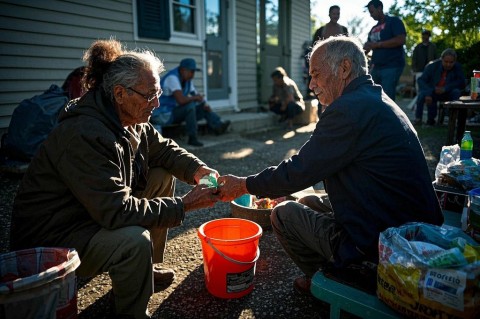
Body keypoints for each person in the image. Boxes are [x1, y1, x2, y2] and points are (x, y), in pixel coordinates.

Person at [10, 39, 220, 319]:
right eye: (150, 96)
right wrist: (184, 205)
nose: (156, 103)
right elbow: (116, 212)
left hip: (88, 214)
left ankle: (147, 268)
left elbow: (165, 150)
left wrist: (199, 170)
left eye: (158, 93)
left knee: (161, 175)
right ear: (120, 93)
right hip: (55, 238)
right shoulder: (84, 134)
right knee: (134, 241)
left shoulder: (131, 117)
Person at [217, 36, 443, 296]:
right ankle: (343, 265)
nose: (311, 85)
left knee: (283, 213)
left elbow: (300, 169)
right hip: (406, 226)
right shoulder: (372, 97)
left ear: (344, 68)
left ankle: (342, 281)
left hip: (390, 246)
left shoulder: (348, 109)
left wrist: (245, 184)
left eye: (316, 74)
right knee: (308, 201)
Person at [150, 58, 230, 147]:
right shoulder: (172, 78)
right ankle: (192, 138)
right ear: (183, 70)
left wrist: (205, 104)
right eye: (191, 72)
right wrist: (195, 98)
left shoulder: (186, 80)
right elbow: (181, 100)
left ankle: (218, 126)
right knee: (190, 106)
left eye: (194, 72)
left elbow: (196, 95)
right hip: (162, 115)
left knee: (202, 106)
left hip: (171, 112)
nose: (193, 75)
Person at [363, 0, 406, 101]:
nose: (371, 15)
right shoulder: (373, 28)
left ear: (380, 8)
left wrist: (378, 45)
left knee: (387, 98)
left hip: (392, 66)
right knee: (372, 95)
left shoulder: (394, 21)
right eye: (370, 12)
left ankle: (389, 117)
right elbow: (368, 46)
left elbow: (401, 39)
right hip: (376, 67)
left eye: (372, 12)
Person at [414, 48, 465, 125]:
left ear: (455, 61)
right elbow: (421, 80)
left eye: (451, 62)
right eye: (446, 62)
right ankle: (419, 119)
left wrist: (445, 89)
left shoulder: (458, 67)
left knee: (456, 92)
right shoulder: (431, 66)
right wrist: (428, 93)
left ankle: (452, 118)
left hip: (448, 92)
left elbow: (461, 82)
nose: (448, 64)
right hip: (432, 91)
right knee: (421, 95)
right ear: (441, 59)